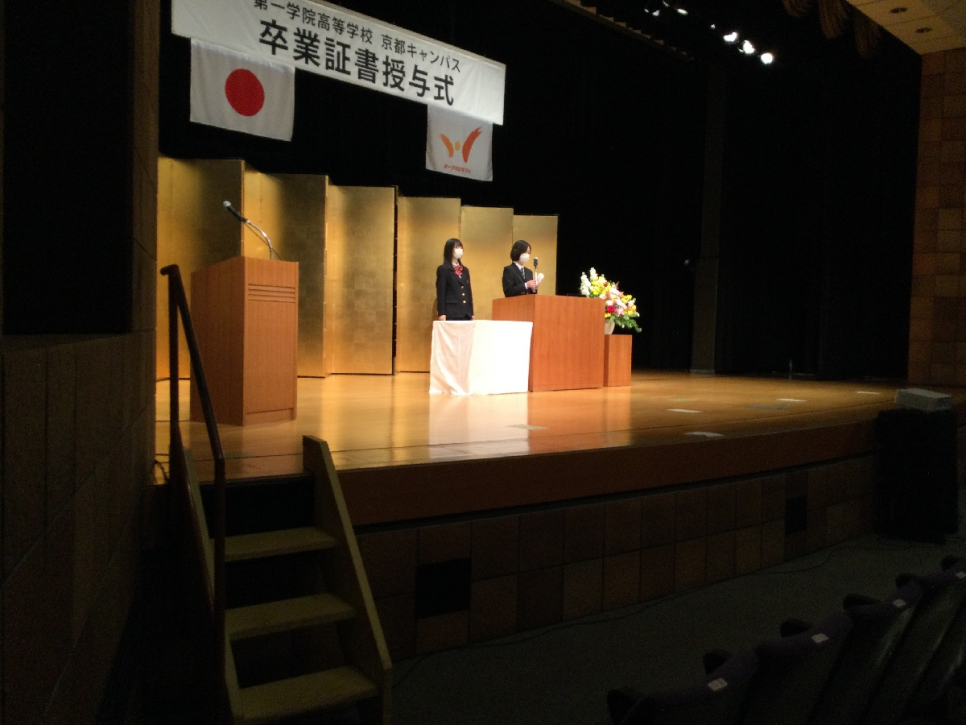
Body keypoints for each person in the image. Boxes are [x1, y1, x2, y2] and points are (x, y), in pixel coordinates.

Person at [436, 238, 474, 321]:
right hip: (451, 312)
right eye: (456, 247)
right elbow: (441, 293)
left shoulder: (465, 270)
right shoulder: (443, 269)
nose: (459, 249)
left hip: (466, 313)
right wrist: (441, 313)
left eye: (461, 247)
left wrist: (471, 312)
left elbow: (468, 292)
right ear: (449, 250)